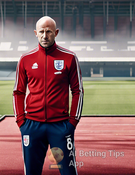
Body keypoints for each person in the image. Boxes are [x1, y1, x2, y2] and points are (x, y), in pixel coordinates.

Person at [13, 16, 84, 175]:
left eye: (49, 32)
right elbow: (18, 92)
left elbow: (78, 91)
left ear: (56, 33)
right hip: (32, 126)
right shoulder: (25, 59)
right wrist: (21, 121)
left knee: (68, 172)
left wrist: (72, 123)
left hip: (60, 126)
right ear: (35, 33)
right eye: (41, 32)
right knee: (31, 172)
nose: (45, 36)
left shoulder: (70, 58)